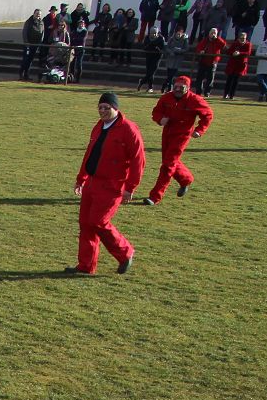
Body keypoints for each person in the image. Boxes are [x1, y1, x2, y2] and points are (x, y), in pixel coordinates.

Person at [66, 91, 144, 276]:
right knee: (86, 224)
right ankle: (86, 265)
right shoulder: (99, 126)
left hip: (112, 185)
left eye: (106, 107)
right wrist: (81, 178)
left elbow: (138, 160)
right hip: (92, 182)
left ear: (116, 108)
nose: (102, 111)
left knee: (98, 222)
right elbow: (90, 153)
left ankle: (125, 252)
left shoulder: (129, 129)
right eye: (100, 107)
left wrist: (130, 187)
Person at [144, 76, 213, 205]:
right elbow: (156, 111)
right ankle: (185, 179)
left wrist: (199, 130)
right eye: (176, 87)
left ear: (188, 88)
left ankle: (155, 196)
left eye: (181, 87)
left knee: (168, 165)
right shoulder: (166, 97)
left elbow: (208, 115)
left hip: (182, 135)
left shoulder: (195, 100)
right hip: (167, 133)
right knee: (169, 161)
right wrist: (160, 119)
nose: (178, 89)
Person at [193, 27, 226, 96]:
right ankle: (198, 91)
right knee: (200, 77)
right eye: (211, 33)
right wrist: (200, 51)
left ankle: (207, 92)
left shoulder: (218, 41)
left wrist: (217, 38)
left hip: (213, 62)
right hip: (203, 61)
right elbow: (198, 48)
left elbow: (223, 46)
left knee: (210, 78)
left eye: (214, 33)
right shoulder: (205, 40)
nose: (212, 34)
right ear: (209, 33)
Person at [222, 31, 253, 100]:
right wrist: (233, 53)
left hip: (241, 65)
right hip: (232, 64)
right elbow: (228, 51)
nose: (242, 40)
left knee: (236, 81)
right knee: (229, 80)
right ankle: (225, 94)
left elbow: (248, 53)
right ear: (238, 38)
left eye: (244, 38)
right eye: (241, 38)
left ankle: (232, 95)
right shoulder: (235, 43)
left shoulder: (248, 44)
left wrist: (240, 53)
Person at [137, 24, 163, 91]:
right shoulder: (147, 38)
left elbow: (162, 49)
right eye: (152, 33)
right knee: (149, 72)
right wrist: (149, 46)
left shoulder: (160, 39)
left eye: (155, 33)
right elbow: (144, 47)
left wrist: (157, 48)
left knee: (151, 72)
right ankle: (150, 87)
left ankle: (142, 82)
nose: (153, 35)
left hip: (157, 57)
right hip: (149, 56)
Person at [21, 9, 45, 79]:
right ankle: (21, 74)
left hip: (36, 45)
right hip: (28, 44)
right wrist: (26, 42)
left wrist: (40, 42)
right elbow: (24, 32)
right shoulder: (29, 22)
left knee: (30, 60)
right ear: (34, 13)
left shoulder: (41, 22)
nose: (38, 15)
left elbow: (42, 32)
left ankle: (26, 74)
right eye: (37, 13)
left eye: (39, 14)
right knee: (25, 59)